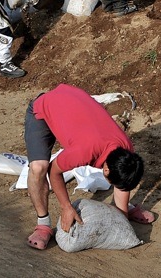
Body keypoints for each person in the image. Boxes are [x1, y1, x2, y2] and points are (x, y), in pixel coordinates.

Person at [24, 84, 150, 251]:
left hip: (71, 103)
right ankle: (43, 225)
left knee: (122, 200)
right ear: (105, 170)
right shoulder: (84, 151)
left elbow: (122, 183)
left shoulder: (126, 150)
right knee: (39, 167)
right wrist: (66, 207)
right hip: (44, 108)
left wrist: (121, 220)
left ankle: (125, 209)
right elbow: (54, 171)